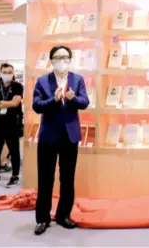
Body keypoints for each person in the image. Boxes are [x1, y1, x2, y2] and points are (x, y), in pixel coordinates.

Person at [32, 45, 89, 236]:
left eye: (65, 57)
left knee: (67, 178)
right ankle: (42, 219)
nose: (62, 60)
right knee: (45, 178)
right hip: (48, 135)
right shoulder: (42, 81)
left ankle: (63, 215)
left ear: (70, 59)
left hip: (70, 135)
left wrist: (73, 99)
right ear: (51, 60)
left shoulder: (77, 79)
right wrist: (53, 100)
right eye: (58, 57)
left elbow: (85, 102)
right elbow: (37, 106)